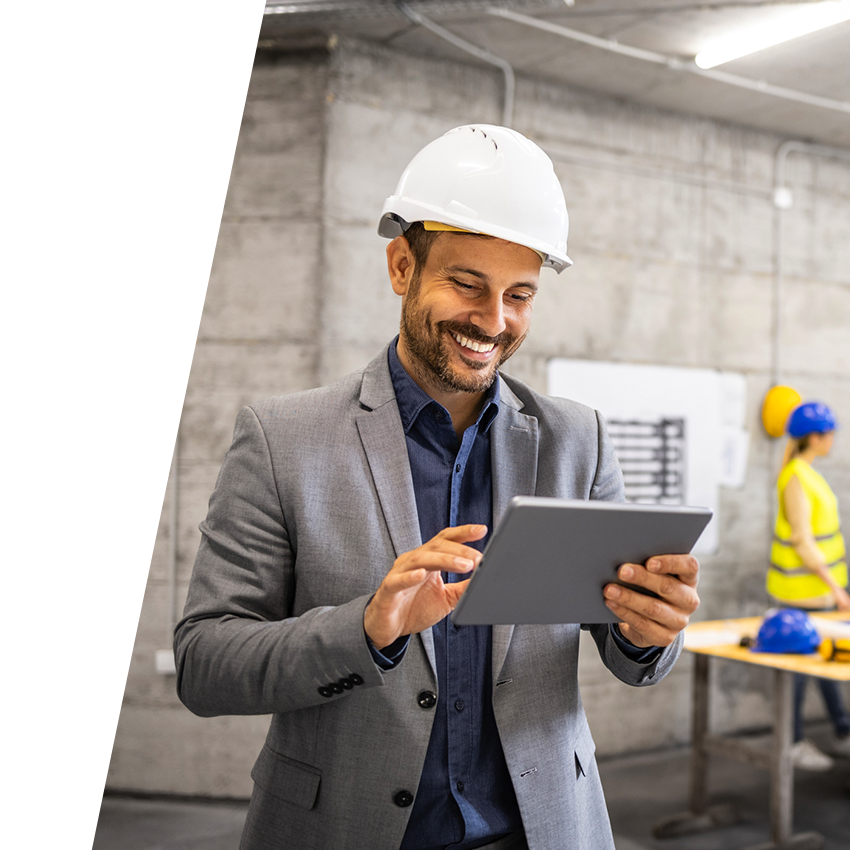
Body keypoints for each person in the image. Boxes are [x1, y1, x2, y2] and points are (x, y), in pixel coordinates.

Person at [174, 124, 700, 850]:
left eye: (519, 294)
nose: (493, 321)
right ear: (400, 267)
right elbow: (205, 664)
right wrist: (367, 627)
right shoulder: (282, 439)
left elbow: (631, 654)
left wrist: (649, 633)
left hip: (540, 831)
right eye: (466, 284)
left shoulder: (577, 441)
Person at [767, 400, 850, 771]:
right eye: (830, 434)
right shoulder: (797, 477)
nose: (833, 440)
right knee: (801, 668)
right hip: (801, 593)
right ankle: (794, 741)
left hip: (813, 591)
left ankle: (842, 729)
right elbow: (803, 540)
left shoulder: (805, 472)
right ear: (815, 437)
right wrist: (835, 588)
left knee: (820, 659)